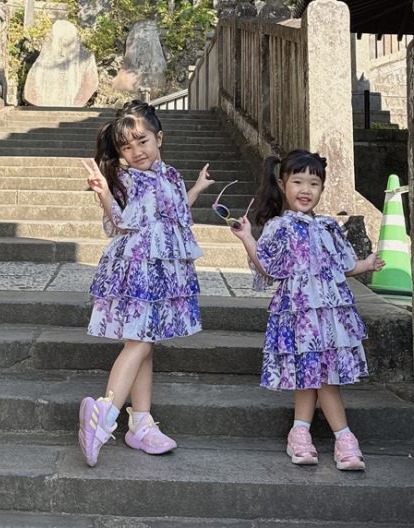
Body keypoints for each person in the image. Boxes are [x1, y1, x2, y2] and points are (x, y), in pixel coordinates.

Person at [230, 149, 385, 471]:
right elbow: (269, 269)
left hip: (330, 315)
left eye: (313, 183)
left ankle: (303, 433)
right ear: (283, 183)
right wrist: (247, 238)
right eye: (298, 181)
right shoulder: (279, 228)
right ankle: (339, 437)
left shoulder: (328, 227)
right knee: (313, 375)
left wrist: (367, 264)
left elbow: (342, 266)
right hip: (299, 315)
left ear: (322, 189)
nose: (305, 189)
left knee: (321, 375)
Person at [78, 100, 214, 466]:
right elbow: (121, 223)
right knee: (139, 341)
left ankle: (140, 423)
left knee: (146, 342)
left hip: (166, 268)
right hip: (138, 265)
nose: (136, 151)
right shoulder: (123, 178)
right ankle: (105, 413)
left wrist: (198, 189)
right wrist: (104, 193)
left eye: (142, 141)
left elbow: (175, 215)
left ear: (159, 138)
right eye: (127, 146)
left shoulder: (170, 175)